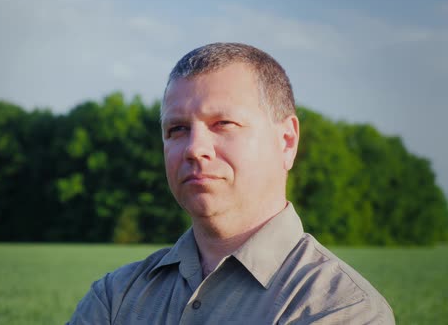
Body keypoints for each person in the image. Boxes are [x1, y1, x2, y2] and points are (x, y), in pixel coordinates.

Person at [67, 43, 395, 324]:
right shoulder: (115, 296)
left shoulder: (342, 309)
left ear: (287, 141)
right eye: (177, 129)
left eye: (223, 123)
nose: (195, 148)